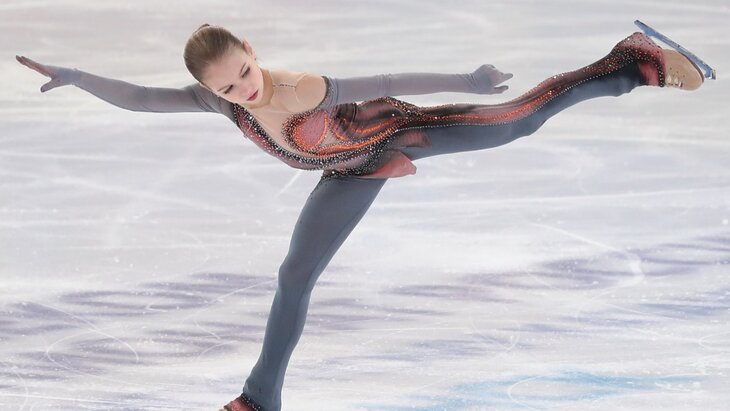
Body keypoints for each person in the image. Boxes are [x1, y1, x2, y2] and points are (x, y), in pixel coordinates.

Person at [16, 21, 711, 411]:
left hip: (404, 132)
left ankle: (630, 62)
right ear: (209, 87)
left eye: (243, 72)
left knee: (516, 120)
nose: (243, 89)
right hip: (349, 170)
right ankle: (259, 399)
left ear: (252, 51)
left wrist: (463, 82)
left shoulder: (299, 87)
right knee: (294, 276)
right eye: (226, 86)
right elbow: (141, 99)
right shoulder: (219, 102)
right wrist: (79, 78)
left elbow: (384, 83)